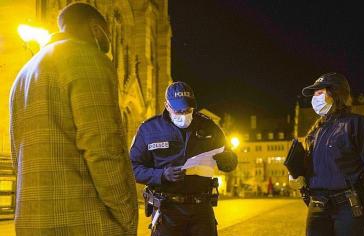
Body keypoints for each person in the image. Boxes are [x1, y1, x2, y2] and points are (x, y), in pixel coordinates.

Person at [9, 3, 138, 235]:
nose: (106, 46)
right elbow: (103, 147)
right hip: (86, 222)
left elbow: (17, 154)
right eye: (107, 37)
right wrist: (126, 216)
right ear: (96, 30)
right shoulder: (87, 58)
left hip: (32, 222)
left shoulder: (23, 74)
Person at [289, 72, 364, 236]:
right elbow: (312, 172)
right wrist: (298, 177)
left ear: (335, 93)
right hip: (317, 209)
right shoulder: (315, 133)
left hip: (350, 209)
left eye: (319, 92)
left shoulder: (359, 125)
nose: (314, 98)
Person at [130, 81, 238, 236]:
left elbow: (230, 159)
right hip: (167, 212)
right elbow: (132, 168)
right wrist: (161, 175)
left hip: (201, 211)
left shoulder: (209, 127)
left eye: (188, 110)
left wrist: (228, 160)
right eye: (178, 111)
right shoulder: (149, 130)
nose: (184, 115)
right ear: (167, 106)